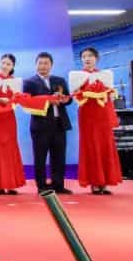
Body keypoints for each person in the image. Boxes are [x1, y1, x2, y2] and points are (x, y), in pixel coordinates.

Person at [73, 46, 122, 195]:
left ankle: (105, 181)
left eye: (90, 56)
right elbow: (75, 94)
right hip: (87, 115)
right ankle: (94, 182)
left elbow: (111, 95)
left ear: (96, 58)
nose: (87, 59)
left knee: (105, 145)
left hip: (102, 115)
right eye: (84, 57)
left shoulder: (105, 75)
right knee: (91, 145)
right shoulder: (77, 76)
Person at [23, 52, 73, 194]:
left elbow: (69, 99)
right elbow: (28, 103)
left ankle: (58, 184)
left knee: (59, 156)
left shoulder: (59, 80)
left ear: (51, 65)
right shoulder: (29, 82)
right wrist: (47, 101)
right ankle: (42, 186)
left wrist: (64, 100)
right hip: (40, 125)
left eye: (46, 63)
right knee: (40, 157)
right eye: (40, 63)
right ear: (36, 65)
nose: (43, 66)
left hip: (59, 123)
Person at [0, 53, 26, 195]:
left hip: (9, 117)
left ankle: (10, 184)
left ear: (12, 66)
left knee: (10, 147)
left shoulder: (15, 81)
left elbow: (18, 98)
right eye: (3, 63)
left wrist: (15, 101)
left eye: (8, 64)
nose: (5, 66)